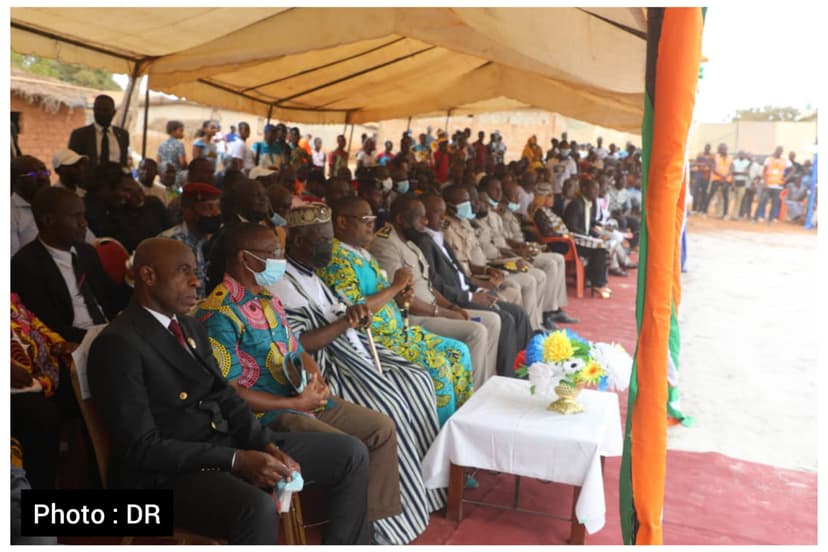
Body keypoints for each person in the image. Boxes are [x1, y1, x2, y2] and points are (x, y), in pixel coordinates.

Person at [87, 237, 370, 545]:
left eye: (196, 271)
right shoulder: (119, 343)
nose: (196, 281)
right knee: (256, 507)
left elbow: (226, 397)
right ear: (148, 276)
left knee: (350, 453)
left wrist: (265, 447)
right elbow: (142, 447)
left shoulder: (189, 327)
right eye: (183, 271)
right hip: (165, 477)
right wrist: (236, 460)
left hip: (223, 446)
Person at [196, 222, 400, 544]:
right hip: (268, 415)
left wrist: (315, 379)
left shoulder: (268, 299)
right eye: (272, 253)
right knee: (351, 451)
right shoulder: (218, 313)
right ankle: (347, 541)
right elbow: (231, 393)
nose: (280, 258)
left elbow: (297, 348)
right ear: (244, 258)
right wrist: (296, 404)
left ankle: (368, 529)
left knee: (381, 428)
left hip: (299, 396)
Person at [270, 204, 446, 543]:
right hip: (325, 367)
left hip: (351, 350)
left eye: (330, 238)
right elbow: (299, 342)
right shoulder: (280, 282)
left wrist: (354, 314)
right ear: (298, 241)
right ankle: (385, 522)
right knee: (391, 404)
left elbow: (338, 311)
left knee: (420, 381)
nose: (329, 246)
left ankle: (423, 492)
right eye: (322, 239)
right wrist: (344, 322)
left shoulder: (312, 273)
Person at [318, 197, 473, 425]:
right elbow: (356, 310)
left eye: (372, 219)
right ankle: (439, 442)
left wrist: (400, 299)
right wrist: (395, 287)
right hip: (375, 341)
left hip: (400, 332)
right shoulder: (336, 259)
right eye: (365, 220)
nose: (372, 225)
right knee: (438, 367)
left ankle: (461, 428)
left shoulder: (363, 254)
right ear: (341, 222)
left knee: (458, 351)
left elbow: (385, 299)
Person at [369, 195, 500, 389]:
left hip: (434, 310)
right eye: (420, 218)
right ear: (400, 219)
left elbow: (429, 286)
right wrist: (446, 313)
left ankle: (484, 383)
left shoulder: (412, 242)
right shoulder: (385, 244)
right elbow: (401, 298)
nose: (426, 222)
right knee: (476, 331)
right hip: (414, 318)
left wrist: (452, 307)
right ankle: (471, 395)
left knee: (492, 320)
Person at [414, 194, 531, 378]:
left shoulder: (439, 237)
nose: (442, 217)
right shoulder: (423, 242)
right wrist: (470, 297)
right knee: (505, 318)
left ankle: (525, 364)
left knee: (518, 312)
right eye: (437, 213)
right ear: (425, 215)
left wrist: (480, 288)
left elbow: (460, 273)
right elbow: (435, 284)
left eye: (443, 213)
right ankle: (508, 375)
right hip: (455, 299)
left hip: (467, 291)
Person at [12, 187, 129, 342]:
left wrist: (130, 279)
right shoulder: (26, 265)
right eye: (76, 216)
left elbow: (112, 300)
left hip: (108, 331)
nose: (84, 224)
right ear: (48, 220)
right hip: (73, 343)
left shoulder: (87, 252)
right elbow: (49, 327)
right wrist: (101, 337)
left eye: (84, 216)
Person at [443, 185, 544, 330]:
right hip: (468, 282)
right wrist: (481, 279)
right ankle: (525, 330)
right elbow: (459, 270)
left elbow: (478, 257)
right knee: (514, 289)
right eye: (464, 202)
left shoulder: (463, 222)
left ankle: (531, 327)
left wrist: (488, 270)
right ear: (450, 205)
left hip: (482, 270)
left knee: (528, 277)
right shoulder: (446, 230)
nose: (470, 205)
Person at [482, 176, 577, 326]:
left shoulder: (503, 213)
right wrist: (518, 251)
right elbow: (498, 245)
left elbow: (505, 240)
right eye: (512, 195)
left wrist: (523, 247)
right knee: (549, 265)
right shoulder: (493, 214)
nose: (516, 198)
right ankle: (545, 315)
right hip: (503, 258)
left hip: (513, 252)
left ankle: (553, 309)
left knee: (557, 259)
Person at [11, 293, 75, 490]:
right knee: (41, 416)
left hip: (41, 373)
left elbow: (36, 326)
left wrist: (61, 344)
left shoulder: (12, 301)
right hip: (19, 388)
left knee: (90, 372)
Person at [531, 183, 611, 298]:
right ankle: (598, 283)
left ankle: (597, 281)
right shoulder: (539, 213)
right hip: (561, 244)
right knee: (598, 249)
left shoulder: (547, 210)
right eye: (550, 195)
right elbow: (548, 233)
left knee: (600, 247)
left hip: (567, 240)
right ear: (542, 197)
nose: (553, 198)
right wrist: (566, 236)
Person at [158, 183, 222, 298]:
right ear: (188, 212)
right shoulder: (170, 242)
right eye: (208, 207)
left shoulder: (218, 239)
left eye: (218, 207)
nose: (216, 213)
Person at [68, 94, 130, 169]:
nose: (101, 113)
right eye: (98, 109)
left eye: (105, 110)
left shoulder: (123, 135)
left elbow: (124, 164)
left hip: (117, 179)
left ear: (114, 112)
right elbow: (72, 165)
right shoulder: (79, 135)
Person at [11, 155, 52, 256]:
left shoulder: (56, 205)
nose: (42, 178)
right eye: (33, 174)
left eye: (44, 172)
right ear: (16, 181)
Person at [756, 146, 787, 222]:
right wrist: (765, 183)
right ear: (775, 151)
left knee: (775, 202)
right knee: (763, 200)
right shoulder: (768, 159)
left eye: (781, 151)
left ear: (782, 152)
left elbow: (793, 169)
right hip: (768, 184)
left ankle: (772, 217)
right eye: (778, 151)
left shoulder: (784, 160)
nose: (779, 152)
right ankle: (761, 216)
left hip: (778, 185)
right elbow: (764, 171)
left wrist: (786, 179)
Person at [704, 143, 733, 218]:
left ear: (725, 149)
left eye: (722, 149)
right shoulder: (715, 157)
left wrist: (725, 176)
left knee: (726, 197)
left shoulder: (730, 158)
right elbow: (713, 168)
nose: (720, 150)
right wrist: (721, 176)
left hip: (726, 180)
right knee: (710, 195)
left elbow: (731, 169)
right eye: (720, 149)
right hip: (716, 179)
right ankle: (704, 211)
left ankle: (725, 214)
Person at [157, 120, 188, 185]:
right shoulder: (179, 145)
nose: (183, 133)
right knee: (174, 194)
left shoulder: (161, 145)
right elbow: (182, 163)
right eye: (181, 131)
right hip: (175, 177)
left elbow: (158, 162)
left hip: (163, 176)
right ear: (173, 131)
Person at [690, 143, 714, 213]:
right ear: (704, 148)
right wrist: (701, 164)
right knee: (696, 192)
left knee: (704, 192)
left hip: (706, 176)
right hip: (698, 175)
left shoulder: (712, 156)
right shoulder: (700, 154)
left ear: (710, 149)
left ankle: (701, 209)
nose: (707, 149)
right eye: (706, 147)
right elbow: (694, 163)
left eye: (708, 148)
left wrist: (706, 166)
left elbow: (712, 165)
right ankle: (694, 208)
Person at [730, 151, 751, 219]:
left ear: (745, 155)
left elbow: (747, 173)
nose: (742, 155)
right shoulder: (734, 161)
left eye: (743, 154)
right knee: (729, 199)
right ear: (738, 155)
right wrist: (733, 184)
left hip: (742, 183)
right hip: (734, 182)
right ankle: (724, 213)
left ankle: (735, 215)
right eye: (740, 154)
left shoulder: (747, 162)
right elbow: (732, 173)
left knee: (739, 200)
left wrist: (736, 172)